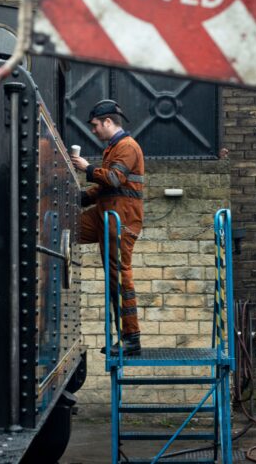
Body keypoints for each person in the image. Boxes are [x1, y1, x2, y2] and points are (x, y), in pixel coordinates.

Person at [71, 99, 145, 356]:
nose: (93, 131)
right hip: (106, 216)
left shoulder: (127, 146)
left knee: (120, 275)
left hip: (121, 221)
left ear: (108, 122)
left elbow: (114, 179)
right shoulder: (113, 148)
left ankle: (131, 337)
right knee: (66, 226)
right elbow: (105, 188)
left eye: (95, 126)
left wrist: (87, 168)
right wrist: (78, 198)